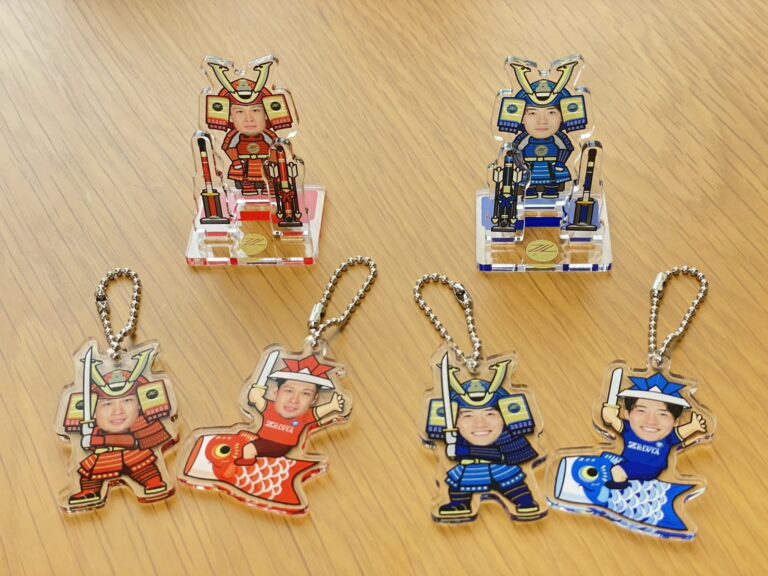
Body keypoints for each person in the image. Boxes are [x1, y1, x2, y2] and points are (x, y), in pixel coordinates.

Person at [435, 361, 541, 520]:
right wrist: (453, 447)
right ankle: (460, 504)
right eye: (468, 415)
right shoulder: (457, 438)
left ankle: (525, 501)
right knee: (459, 486)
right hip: (471, 469)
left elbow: (500, 455)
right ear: (455, 421)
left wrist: (463, 451)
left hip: (500, 469)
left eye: (490, 414)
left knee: (514, 485)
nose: (480, 424)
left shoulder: (507, 440)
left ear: (505, 417)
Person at [68, 366, 172, 507]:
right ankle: (90, 491)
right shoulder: (95, 429)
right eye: (107, 403)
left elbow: (131, 441)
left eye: (127, 400)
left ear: (140, 405)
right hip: (105, 456)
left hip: (130, 455)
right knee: (90, 474)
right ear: (93, 410)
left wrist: (96, 440)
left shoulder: (136, 428)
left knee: (143, 468)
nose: (118, 411)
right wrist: (88, 439)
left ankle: (153, 482)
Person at [601, 372, 707, 489]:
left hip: (651, 467)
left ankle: (619, 488)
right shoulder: (629, 429)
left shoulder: (667, 437)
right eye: (641, 411)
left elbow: (680, 433)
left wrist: (694, 426)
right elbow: (611, 419)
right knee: (606, 462)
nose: (651, 421)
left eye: (662, 414)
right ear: (627, 414)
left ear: (676, 422)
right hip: (628, 462)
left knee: (617, 471)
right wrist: (609, 414)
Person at [239, 355, 346, 463]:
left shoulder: (305, 415)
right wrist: (256, 391)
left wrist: (332, 406)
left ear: (314, 399)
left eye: (305, 393)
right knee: (240, 443)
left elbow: (318, 411)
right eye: (289, 391)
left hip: (282, 445)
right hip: (262, 440)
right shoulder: (270, 407)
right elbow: (254, 398)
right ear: (275, 392)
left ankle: (246, 465)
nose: (294, 400)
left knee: (248, 449)